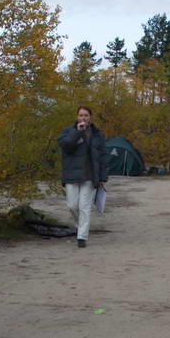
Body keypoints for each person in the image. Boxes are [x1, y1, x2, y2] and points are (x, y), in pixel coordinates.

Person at [57, 106, 109, 248]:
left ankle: (82, 237)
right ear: (77, 116)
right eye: (81, 115)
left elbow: (103, 156)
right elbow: (65, 146)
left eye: (86, 115)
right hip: (71, 174)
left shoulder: (97, 134)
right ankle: (80, 225)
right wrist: (77, 132)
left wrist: (103, 177)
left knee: (84, 207)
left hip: (89, 175)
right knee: (72, 205)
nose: (83, 118)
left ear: (90, 117)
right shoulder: (69, 131)